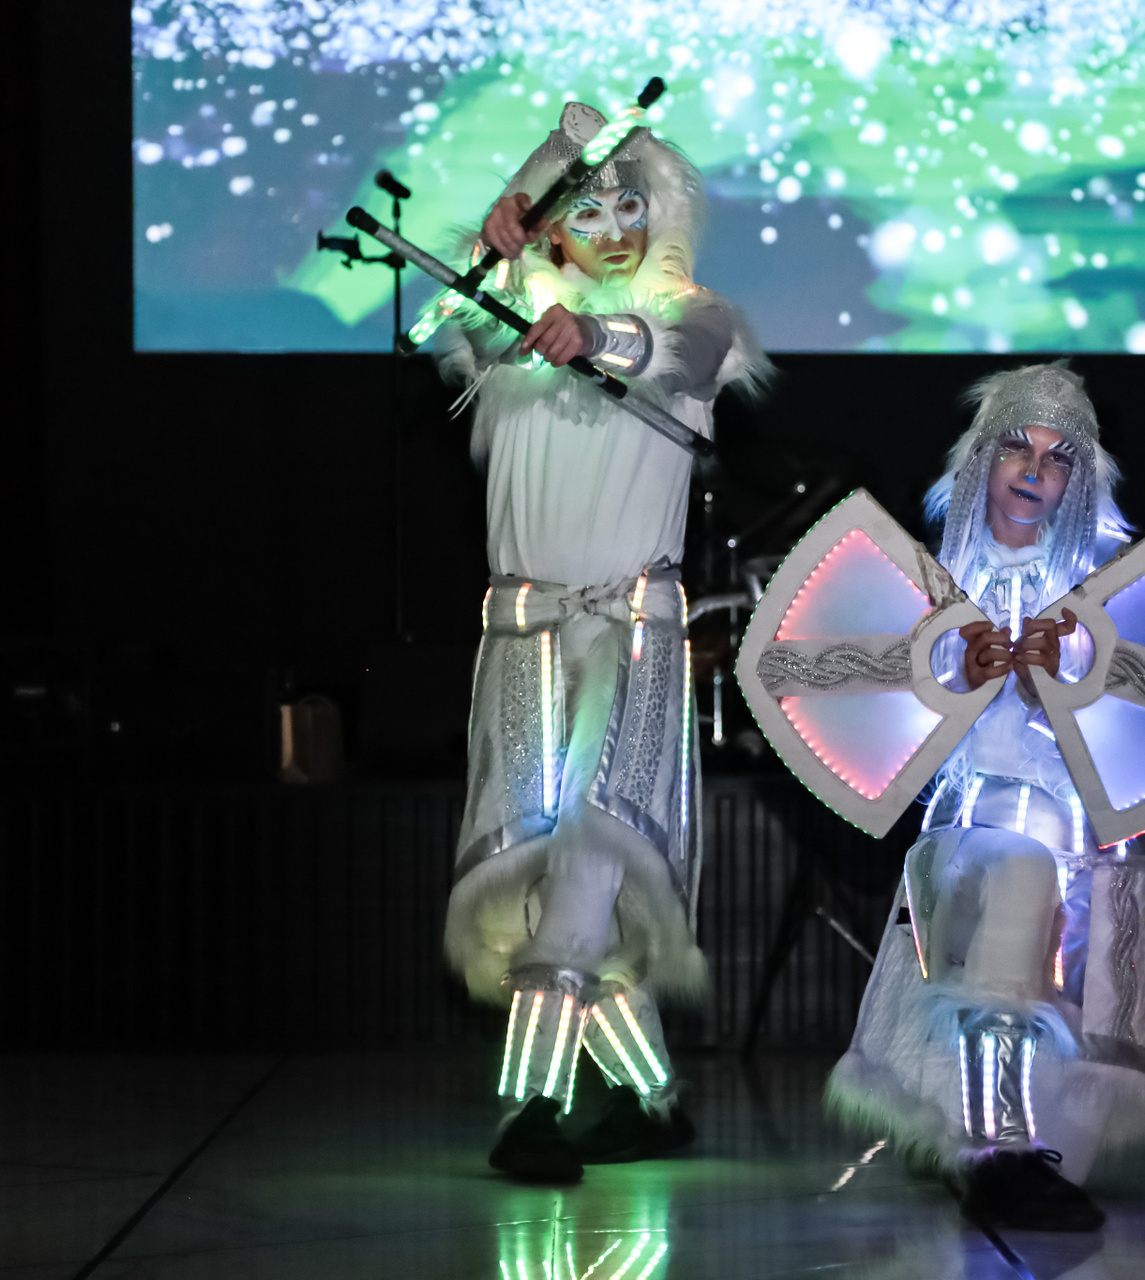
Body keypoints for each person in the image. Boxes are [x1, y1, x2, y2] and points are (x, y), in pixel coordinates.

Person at [428, 101, 768, 1182]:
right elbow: (458, 322)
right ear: (550, 222)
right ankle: (650, 1097)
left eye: (632, 205)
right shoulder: (506, 327)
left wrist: (593, 336)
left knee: (584, 862)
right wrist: (496, 251)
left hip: (630, 638)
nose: (615, 226)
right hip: (525, 635)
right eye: (587, 208)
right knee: (544, 880)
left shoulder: (698, 322)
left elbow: (669, 351)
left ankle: (530, 1103)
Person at [825, 364, 1145, 1232]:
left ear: (1079, 481)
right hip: (973, 830)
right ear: (982, 458)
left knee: (1074, 1134)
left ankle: (1014, 1142)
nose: (1034, 469)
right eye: (1017, 447)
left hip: (1086, 851)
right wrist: (954, 672)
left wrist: (1077, 672)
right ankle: (999, 1151)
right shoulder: (930, 583)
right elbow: (872, 705)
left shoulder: (1110, 594)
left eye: (1058, 458)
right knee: (1016, 877)